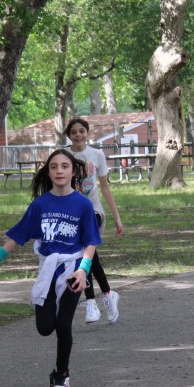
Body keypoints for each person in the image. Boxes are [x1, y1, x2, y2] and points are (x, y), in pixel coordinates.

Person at [0, 149, 101, 387]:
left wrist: (83, 270)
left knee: (64, 324)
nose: (59, 171)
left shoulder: (83, 204)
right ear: (48, 172)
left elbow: (91, 242)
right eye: (54, 166)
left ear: (73, 171)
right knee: (45, 327)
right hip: (49, 269)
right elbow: (19, 235)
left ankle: (62, 375)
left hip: (73, 270)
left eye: (65, 166)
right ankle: (53, 319)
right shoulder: (40, 205)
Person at [64, 117, 123, 324]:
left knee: (84, 252)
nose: (78, 135)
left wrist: (117, 218)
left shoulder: (97, 155)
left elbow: (105, 187)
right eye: (74, 132)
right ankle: (108, 294)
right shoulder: (63, 154)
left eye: (82, 131)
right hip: (72, 215)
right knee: (89, 257)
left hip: (94, 212)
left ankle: (90, 302)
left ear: (87, 133)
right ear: (69, 135)